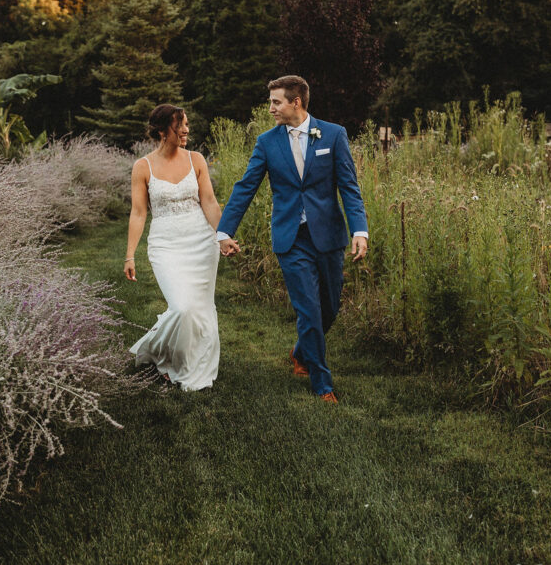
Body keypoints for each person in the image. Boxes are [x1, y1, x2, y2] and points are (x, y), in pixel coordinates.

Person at [217, 75, 368, 403]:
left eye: (276, 102)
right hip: (291, 238)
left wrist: (359, 230)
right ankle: (322, 382)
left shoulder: (333, 134)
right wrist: (225, 230)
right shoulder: (267, 142)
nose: (270, 108)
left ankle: (301, 352)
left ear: (296, 102)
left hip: (328, 235)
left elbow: (349, 186)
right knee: (309, 309)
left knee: (330, 306)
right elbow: (246, 186)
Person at [124, 104, 222, 390]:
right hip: (166, 243)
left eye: (187, 124)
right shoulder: (143, 167)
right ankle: (158, 351)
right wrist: (130, 254)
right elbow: (139, 213)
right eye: (180, 125)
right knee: (180, 307)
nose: (186, 130)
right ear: (162, 130)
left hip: (202, 242)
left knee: (199, 308)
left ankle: (188, 362)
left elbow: (209, 203)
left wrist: (223, 235)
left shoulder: (197, 160)